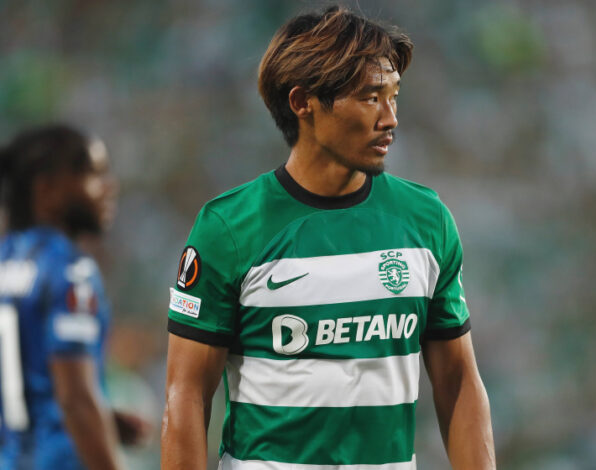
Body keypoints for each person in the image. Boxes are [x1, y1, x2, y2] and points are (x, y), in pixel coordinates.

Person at [162, 5, 495, 470]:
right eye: (371, 97)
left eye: (394, 96)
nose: (390, 118)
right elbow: (186, 397)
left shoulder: (427, 221)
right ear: (303, 102)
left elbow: (458, 384)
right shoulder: (228, 228)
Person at [0, 124, 145, 470]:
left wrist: (105, 421)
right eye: (92, 174)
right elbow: (76, 401)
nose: (109, 186)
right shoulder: (69, 269)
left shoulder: (5, 259)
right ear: (46, 189)